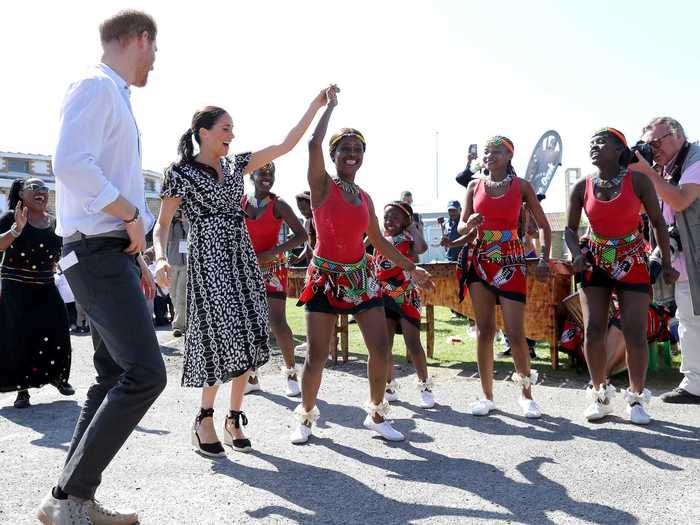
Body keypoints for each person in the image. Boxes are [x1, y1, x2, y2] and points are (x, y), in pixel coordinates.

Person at [153, 89, 332, 457]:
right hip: (209, 259)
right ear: (202, 132)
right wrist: (159, 258)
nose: (231, 134)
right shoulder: (180, 173)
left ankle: (234, 418)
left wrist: (315, 106)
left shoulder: (237, 166)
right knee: (219, 337)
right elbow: (162, 224)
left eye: (232, 128)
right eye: (225, 128)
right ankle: (204, 418)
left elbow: (285, 144)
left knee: (250, 335)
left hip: (240, 256)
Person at [38, 10, 164, 525]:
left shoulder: (113, 95)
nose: (155, 61)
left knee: (113, 373)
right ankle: (72, 497)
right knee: (146, 374)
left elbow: (99, 176)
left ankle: (65, 500)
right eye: (155, 49)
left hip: (109, 252)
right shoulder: (96, 86)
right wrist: (131, 213)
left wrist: (138, 247)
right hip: (95, 252)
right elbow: (68, 163)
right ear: (140, 39)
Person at [291, 87, 433, 444]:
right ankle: (306, 419)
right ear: (334, 155)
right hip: (325, 277)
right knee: (317, 356)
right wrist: (328, 108)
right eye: (345, 150)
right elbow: (311, 145)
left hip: (362, 278)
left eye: (357, 150)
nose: (351, 155)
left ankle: (376, 412)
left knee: (381, 348)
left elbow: (380, 242)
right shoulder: (322, 185)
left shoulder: (365, 197)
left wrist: (411, 269)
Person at [565, 127, 675, 424]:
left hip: (632, 257)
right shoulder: (582, 186)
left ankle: (636, 399)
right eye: (591, 142)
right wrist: (576, 254)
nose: (594, 146)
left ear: (619, 149)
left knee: (634, 331)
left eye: (601, 142)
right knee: (594, 329)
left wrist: (665, 262)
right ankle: (600, 395)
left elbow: (657, 222)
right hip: (596, 259)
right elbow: (569, 229)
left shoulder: (637, 181)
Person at [458, 136, 551, 418]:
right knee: (485, 330)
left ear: (510, 156)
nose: (490, 155)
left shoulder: (521, 186)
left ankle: (526, 394)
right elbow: (462, 226)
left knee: (514, 331)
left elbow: (545, 226)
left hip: (511, 259)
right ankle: (487, 396)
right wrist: (468, 224)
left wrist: (544, 260)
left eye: (497, 151)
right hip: (480, 259)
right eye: (487, 152)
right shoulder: (474, 186)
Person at [637, 117, 700, 404]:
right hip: (685, 261)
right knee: (687, 321)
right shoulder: (667, 169)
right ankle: (694, 384)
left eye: (656, 142)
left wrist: (648, 173)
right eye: (648, 144)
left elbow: (679, 200)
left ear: (676, 136)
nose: (653, 149)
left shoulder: (695, 159)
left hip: (695, 256)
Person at [0, 178, 74, 410]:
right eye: (34, 188)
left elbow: (65, 254)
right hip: (16, 286)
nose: (41, 192)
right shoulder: (10, 217)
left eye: (44, 188)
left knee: (59, 326)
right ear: (22, 194)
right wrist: (16, 229)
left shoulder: (55, 222)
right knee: (20, 336)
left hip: (45, 284)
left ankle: (58, 377)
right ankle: (22, 391)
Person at [241, 161, 307, 397]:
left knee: (277, 322)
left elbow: (302, 235)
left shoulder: (279, 204)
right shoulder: (241, 203)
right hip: (247, 267)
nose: (266, 177)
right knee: (249, 323)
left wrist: (273, 251)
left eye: (271, 174)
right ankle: (252, 375)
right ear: (253, 176)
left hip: (273, 267)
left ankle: (290, 372)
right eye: (262, 173)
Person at [376, 201, 435, 408]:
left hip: (406, 295)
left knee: (413, 343)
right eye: (386, 217)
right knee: (385, 345)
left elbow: (422, 248)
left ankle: (425, 385)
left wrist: (413, 228)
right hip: (383, 295)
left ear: (405, 221)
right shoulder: (379, 238)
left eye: (395, 217)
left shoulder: (408, 238)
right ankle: (389, 385)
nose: (389, 220)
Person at [167, 208, 189, 337]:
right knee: (173, 294)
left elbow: (190, 234)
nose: (179, 213)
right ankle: (184, 320)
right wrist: (170, 221)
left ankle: (178, 326)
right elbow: (168, 238)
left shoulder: (189, 222)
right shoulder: (172, 223)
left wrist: (185, 221)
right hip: (173, 262)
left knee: (181, 294)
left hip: (186, 264)